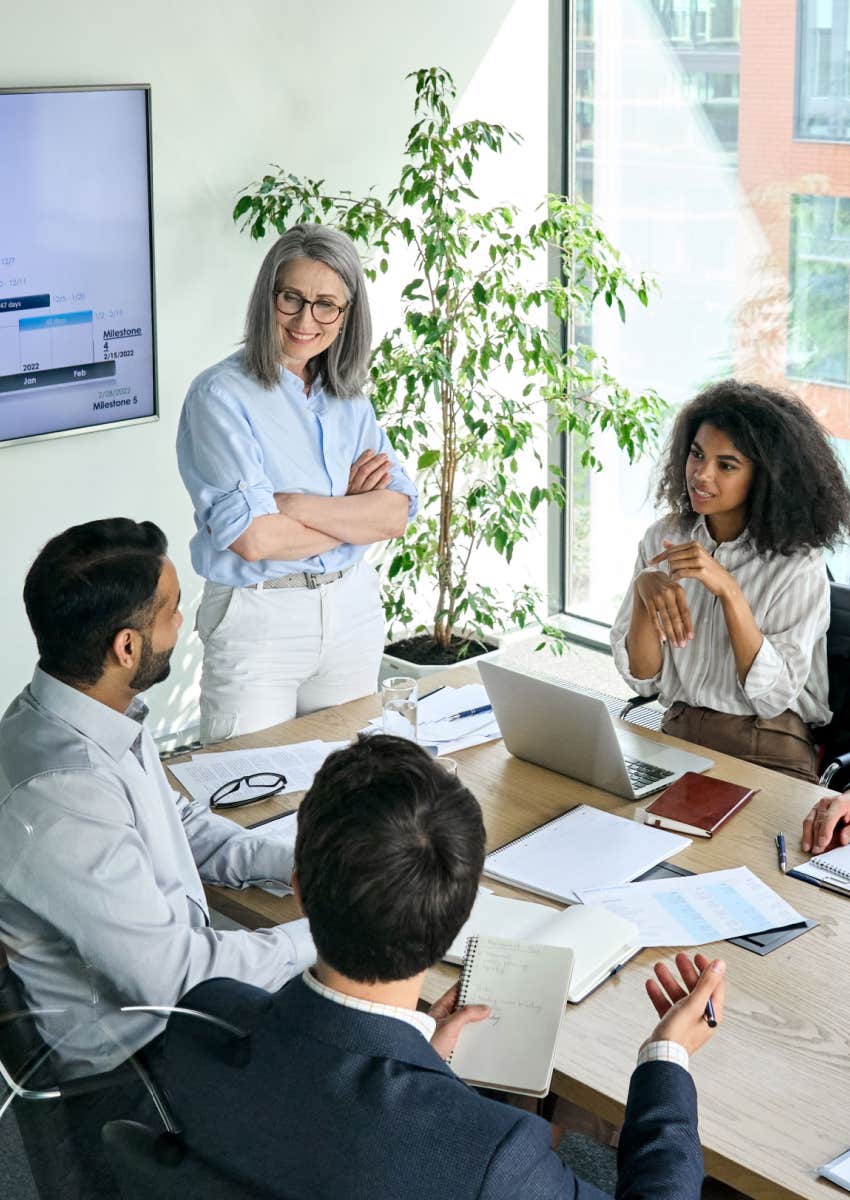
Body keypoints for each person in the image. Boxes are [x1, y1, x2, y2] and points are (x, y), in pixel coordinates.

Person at [163, 734, 725, 1199]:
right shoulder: (491, 1155)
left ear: (299, 892)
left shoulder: (200, 1020)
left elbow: (321, 1129)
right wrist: (667, 1059)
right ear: (457, 922)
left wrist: (419, 1060)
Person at [0, 519, 315, 1195]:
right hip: (137, 1074)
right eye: (172, 610)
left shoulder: (87, 714)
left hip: (167, 1015)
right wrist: (329, 932)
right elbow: (177, 979)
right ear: (126, 645)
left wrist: (306, 863)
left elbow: (182, 826)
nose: (185, 623)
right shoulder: (60, 793)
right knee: (369, 1089)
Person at [177, 223, 417, 745]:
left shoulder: (350, 396)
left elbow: (395, 514)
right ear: (269, 297)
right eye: (293, 298)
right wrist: (353, 514)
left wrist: (292, 505)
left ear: (347, 315)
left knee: (350, 798)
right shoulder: (220, 395)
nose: (307, 319)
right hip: (260, 617)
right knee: (249, 797)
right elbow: (255, 539)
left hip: (351, 612)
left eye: (327, 304)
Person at [610, 380, 850, 782]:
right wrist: (642, 593)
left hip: (768, 748)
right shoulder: (661, 538)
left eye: (727, 465)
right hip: (679, 733)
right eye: (697, 454)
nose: (701, 475)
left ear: (766, 477)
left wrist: (730, 591)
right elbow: (643, 678)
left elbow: (773, 699)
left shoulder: (797, 565)